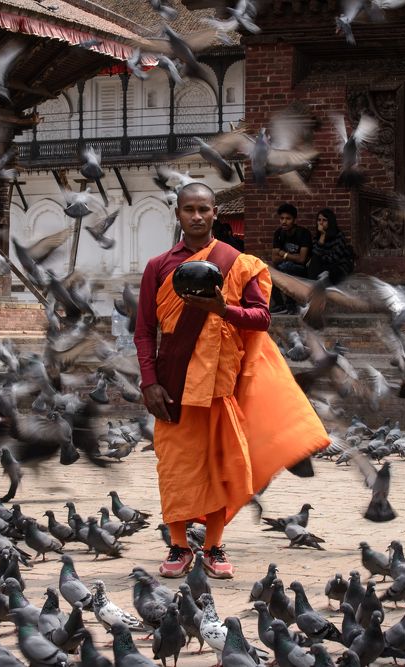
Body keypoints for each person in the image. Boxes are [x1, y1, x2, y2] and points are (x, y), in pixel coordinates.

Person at [134, 183, 329, 580]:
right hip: (172, 381)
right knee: (176, 466)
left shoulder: (238, 263)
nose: (197, 216)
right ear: (178, 214)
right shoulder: (158, 266)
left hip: (222, 384)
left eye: (204, 209)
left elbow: (262, 318)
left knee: (222, 465)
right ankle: (178, 545)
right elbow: (144, 331)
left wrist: (223, 308)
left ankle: (214, 546)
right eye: (189, 209)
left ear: (216, 214)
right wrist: (149, 383)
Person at [270, 203, 311, 312]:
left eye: (288, 219)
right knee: (267, 272)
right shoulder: (278, 233)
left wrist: (283, 254)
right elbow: (274, 258)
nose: (284, 221)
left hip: (301, 269)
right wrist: (293, 257)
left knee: (286, 268)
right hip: (284, 267)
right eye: (282, 218)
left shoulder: (303, 233)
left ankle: (290, 304)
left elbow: (302, 259)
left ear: (294, 220)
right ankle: (280, 304)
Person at [307, 208, 355, 284]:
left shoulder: (339, 236)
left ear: (330, 222)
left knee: (324, 266)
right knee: (313, 263)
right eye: (319, 220)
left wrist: (320, 258)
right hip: (323, 267)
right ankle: (312, 288)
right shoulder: (317, 238)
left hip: (337, 267)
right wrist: (322, 235)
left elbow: (334, 258)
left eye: (324, 220)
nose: (321, 223)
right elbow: (315, 255)